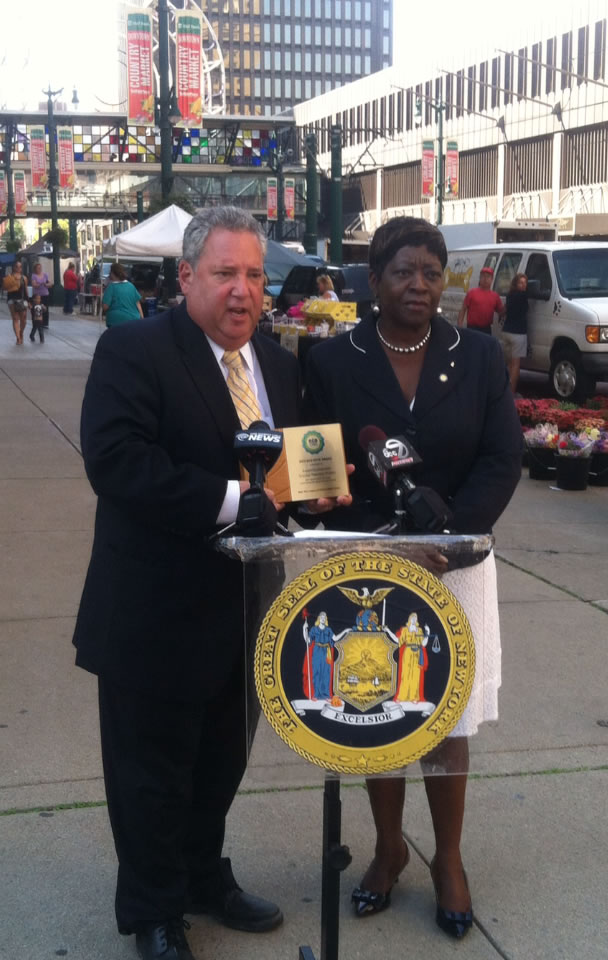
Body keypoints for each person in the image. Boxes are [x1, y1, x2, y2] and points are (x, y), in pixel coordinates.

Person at [73, 206, 350, 960]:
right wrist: (235, 501)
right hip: (154, 610)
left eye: (255, 275)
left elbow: (288, 475)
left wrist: (311, 494)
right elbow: (117, 463)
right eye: (226, 273)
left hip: (249, 609)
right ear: (187, 275)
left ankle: (202, 875)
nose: (243, 290)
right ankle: (154, 912)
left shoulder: (282, 366)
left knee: (221, 761)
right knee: (151, 772)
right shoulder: (134, 352)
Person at [303, 216, 522, 939]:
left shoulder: (481, 357)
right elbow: (316, 459)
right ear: (374, 281)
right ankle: (389, 848)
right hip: (367, 564)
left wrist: (452, 535)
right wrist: (339, 518)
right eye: (403, 271)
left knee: (445, 720)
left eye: (431, 271)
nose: (419, 285)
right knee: (377, 712)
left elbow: (501, 458)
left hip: (453, 562)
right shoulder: (335, 360)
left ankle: (448, 858)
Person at [500, 272, 529, 395]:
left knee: (507, 364)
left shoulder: (510, 295)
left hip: (506, 332)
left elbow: (504, 310)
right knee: (515, 365)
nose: (523, 285)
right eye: (521, 283)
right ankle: (511, 393)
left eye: (525, 283)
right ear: (516, 284)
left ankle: (502, 389)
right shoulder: (523, 296)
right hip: (518, 334)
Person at [457, 266, 505, 334]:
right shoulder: (472, 293)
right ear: (480, 278)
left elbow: (501, 311)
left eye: (488, 277)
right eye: (483, 276)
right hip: (472, 328)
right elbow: (463, 310)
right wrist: (460, 325)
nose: (485, 279)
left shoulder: (495, 296)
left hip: (486, 329)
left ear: (492, 279)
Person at [101, 262, 143, 327]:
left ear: (113, 273)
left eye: (110, 272)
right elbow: (138, 304)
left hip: (116, 321)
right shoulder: (131, 286)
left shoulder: (111, 287)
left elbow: (105, 307)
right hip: (133, 320)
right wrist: (142, 319)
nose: (109, 274)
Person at [5, 260, 29, 345]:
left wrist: (28, 301)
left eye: (20, 267)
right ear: (13, 267)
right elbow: (4, 288)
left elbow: (25, 290)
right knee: (15, 318)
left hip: (22, 300)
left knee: (24, 320)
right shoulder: (9, 276)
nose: (18, 268)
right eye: (17, 266)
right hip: (11, 300)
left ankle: (21, 332)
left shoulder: (24, 278)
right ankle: (18, 338)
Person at [31, 261, 51, 328]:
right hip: (37, 295)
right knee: (38, 308)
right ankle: (38, 323)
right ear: (35, 269)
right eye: (38, 268)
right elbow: (34, 285)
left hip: (45, 294)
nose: (39, 269)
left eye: (40, 268)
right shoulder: (34, 276)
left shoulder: (45, 275)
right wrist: (40, 284)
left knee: (45, 308)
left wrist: (46, 284)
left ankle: (45, 323)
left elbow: (50, 284)